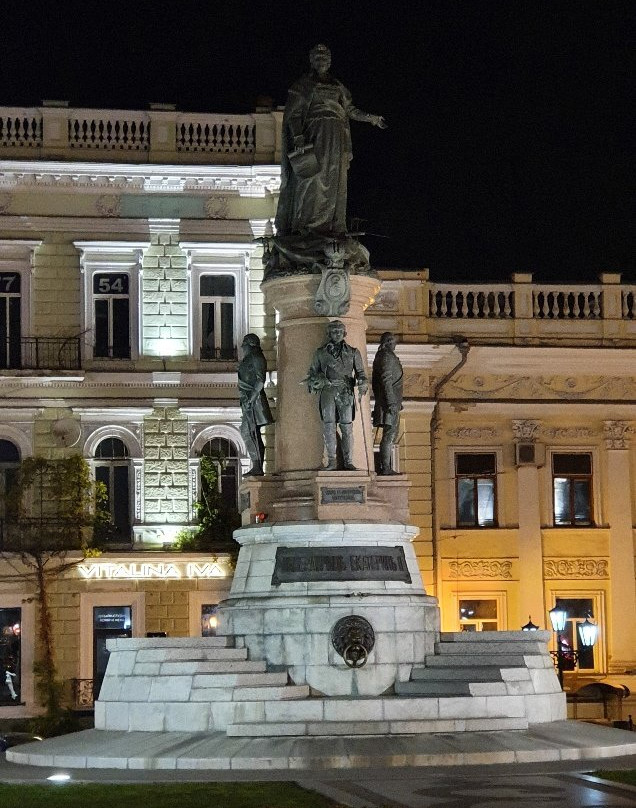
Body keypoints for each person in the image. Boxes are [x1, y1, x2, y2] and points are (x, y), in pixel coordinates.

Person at [275, 43, 387, 239]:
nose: (321, 61)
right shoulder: (303, 85)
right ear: (312, 61)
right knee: (311, 179)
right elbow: (293, 114)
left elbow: (350, 110)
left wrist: (371, 118)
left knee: (333, 180)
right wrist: (298, 136)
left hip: (335, 135)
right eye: (317, 58)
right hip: (313, 133)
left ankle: (330, 226)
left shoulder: (337, 86)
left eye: (325, 58)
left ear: (330, 62)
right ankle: (304, 225)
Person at [306, 320, 368, 470]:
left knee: (347, 427)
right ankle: (332, 461)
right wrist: (316, 380)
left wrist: (363, 381)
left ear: (344, 333)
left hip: (345, 392)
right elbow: (312, 373)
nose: (337, 334)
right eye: (334, 331)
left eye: (340, 331)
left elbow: (361, 373)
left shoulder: (353, 352)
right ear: (329, 334)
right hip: (327, 391)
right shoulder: (320, 353)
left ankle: (348, 461)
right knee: (328, 426)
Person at [238, 334, 274, 476]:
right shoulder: (249, 359)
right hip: (248, 401)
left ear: (250, 345)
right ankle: (256, 465)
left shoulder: (257, 358)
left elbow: (260, 381)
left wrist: (251, 399)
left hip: (255, 401)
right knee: (250, 432)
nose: (243, 349)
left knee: (249, 432)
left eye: (244, 346)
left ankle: (257, 466)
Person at [372, 332, 403, 475]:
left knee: (390, 435)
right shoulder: (386, 356)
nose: (395, 344)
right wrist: (391, 402)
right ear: (389, 342)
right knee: (389, 435)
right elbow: (386, 380)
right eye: (393, 341)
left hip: (388, 402)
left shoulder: (383, 356)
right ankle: (385, 468)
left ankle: (386, 467)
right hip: (388, 404)